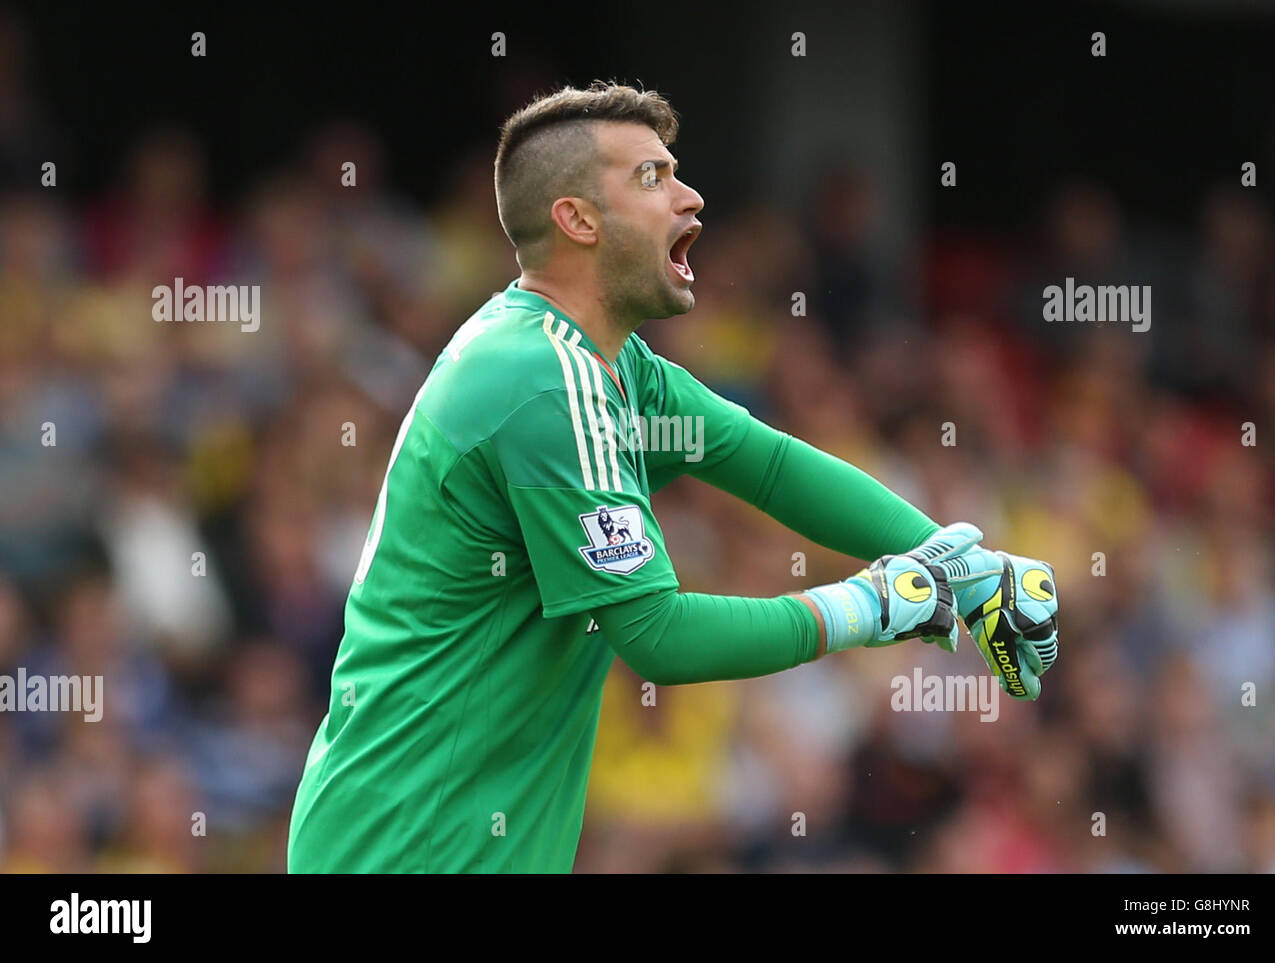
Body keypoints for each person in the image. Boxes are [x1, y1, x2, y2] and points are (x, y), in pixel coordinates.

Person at [286, 81, 1059, 873]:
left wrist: (969, 569)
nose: (690, 197)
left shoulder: (607, 365)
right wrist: (873, 604)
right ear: (577, 220)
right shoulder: (543, 381)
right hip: (403, 849)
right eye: (652, 178)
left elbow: (772, 466)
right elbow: (658, 638)